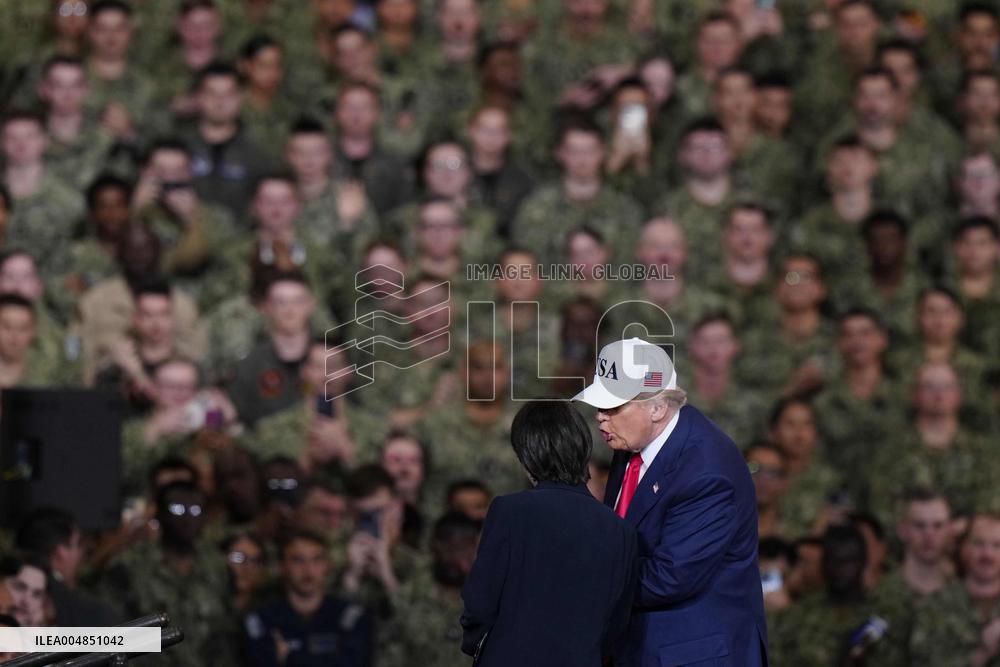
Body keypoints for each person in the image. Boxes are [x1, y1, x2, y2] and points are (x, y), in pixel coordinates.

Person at [572, 336, 767, 665]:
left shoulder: (707, 472)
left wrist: (583, 578)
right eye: (600, 406)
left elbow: (669, 578)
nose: (601, 417)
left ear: (658, 407)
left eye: (614, 406)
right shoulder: (633, 441)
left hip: (695, 654)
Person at [461, 400, 638, 666]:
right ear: (582, 448)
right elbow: (616, 624)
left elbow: (480, 602)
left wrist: (477, 645)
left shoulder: (509, 512)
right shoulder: (620, 530)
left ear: (527, 455)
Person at [244, 530, 373, 667]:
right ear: (282, 567)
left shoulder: (350, 617)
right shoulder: (263, 619)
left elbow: (353, 662)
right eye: (298, 560)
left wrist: (289, 658)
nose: (308, 570)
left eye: (317, 560)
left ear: (327, 565)